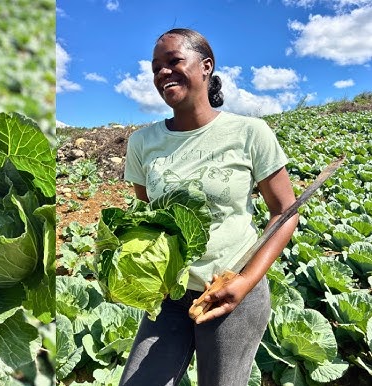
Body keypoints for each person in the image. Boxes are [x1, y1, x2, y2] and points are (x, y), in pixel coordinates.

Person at [119, 28, 298, 386]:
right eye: (156, 68)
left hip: (232, 290)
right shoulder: (142, 142)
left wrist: (245, 282)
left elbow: (285, 211)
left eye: (173, 62)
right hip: (170, 295)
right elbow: (148, 220)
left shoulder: (250, 132)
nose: (162, 73)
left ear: (206, 66)